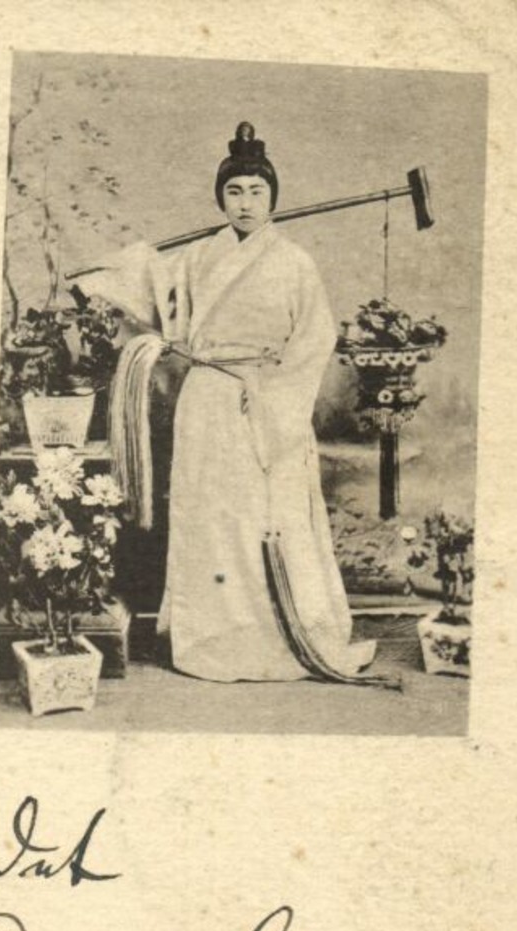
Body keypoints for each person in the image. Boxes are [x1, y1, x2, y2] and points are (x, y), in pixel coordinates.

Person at [92, 123, 379, 684]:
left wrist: (275, 406)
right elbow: (156, 301)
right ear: (220, 198)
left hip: (265, 401)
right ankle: (211, 634)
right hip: (207, 399)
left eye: (256, 192)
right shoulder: (199, 258)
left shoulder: (294, 262)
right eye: (234, 192)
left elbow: (315, 339)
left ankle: (277, 633)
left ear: (273, 197)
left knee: (265, 515)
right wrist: (108, 277)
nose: (245, 203)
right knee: (211, 515)